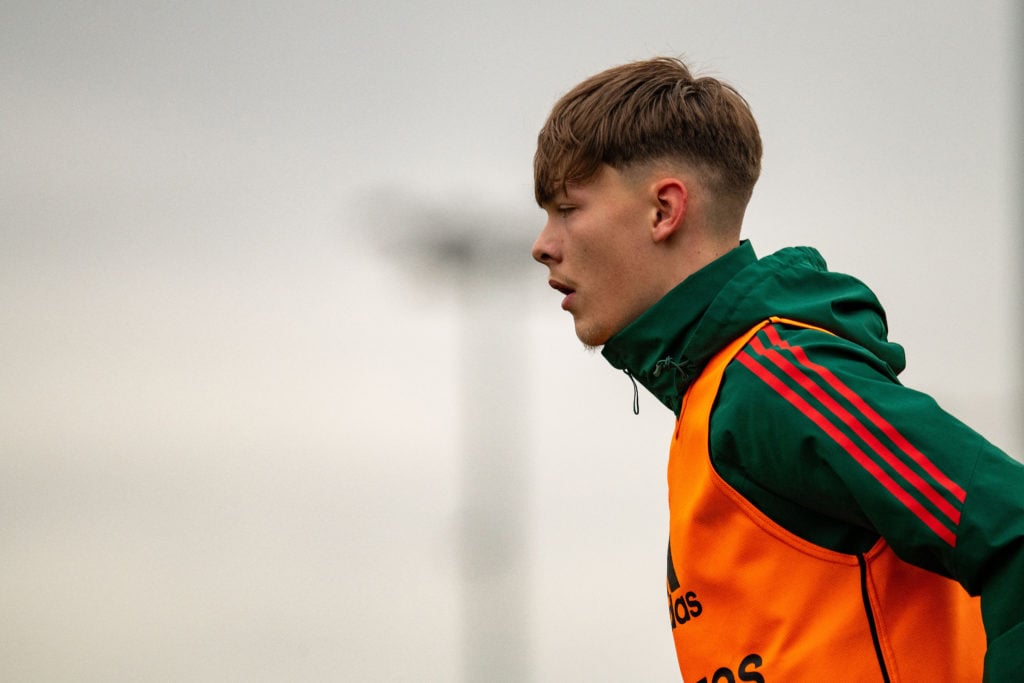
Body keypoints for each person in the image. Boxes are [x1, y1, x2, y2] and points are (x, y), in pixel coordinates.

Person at [530, 56, 1023, 681]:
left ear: (664, 210)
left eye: (567, 209)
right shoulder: (709, 395)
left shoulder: (772, 379)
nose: (542, 243)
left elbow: (1015, 528)